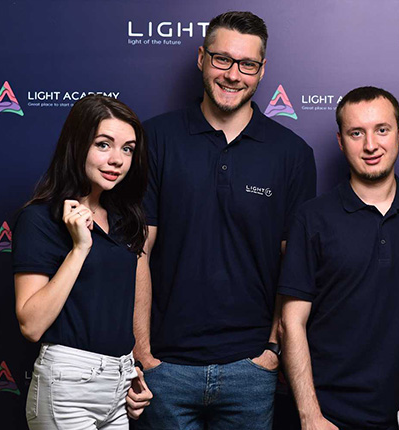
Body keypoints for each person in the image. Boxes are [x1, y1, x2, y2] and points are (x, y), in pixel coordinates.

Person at [132, 10, 317, 430]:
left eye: (247, 64)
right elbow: (138, 248)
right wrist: (143, 350)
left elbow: (295, 266)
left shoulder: (291, 154)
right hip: (166, 367)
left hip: (249, 370)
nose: (234, 75)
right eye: (222, 60)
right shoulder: (155, 140)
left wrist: (272, 350)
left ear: (261, 70)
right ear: (201, 58)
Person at [279, 86, 399, 430]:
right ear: (341, 141)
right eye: (357, 133)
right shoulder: (312, 218)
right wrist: (311, 416)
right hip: (330, 415)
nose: (370, 145)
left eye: (381, 130)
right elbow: (290, 323)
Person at [12, 95, 153, 429]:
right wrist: (79, 248)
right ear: (77, 146)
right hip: (67, 388)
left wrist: (130, 369)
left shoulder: (125, 220)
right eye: (103, 144)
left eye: (128, 149)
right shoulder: (40, 219)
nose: (117, 159)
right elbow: (31, 325)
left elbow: (110, 309)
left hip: (119, 385)